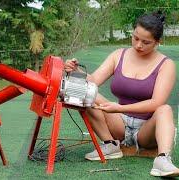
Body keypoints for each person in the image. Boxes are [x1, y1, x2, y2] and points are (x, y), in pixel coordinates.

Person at [65, 11, 178, 177]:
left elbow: (156, 102)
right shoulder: (118, 55)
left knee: (165, 109)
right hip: (119, 124)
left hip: (146, 130)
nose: (138, 45)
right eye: (135, 38)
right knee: (89, 92)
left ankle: (163, 160)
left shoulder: (166, 64)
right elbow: (94, 79)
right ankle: (110, 144)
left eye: (146, 42)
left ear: (157, 42)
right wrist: (76, 71)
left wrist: (117, 108)